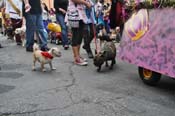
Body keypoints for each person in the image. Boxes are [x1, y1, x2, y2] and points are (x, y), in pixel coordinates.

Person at [65, 0, 92, 65]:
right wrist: (85, 3)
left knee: (79, 36)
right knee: (75, 36)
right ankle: (76, 58)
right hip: (75, 15)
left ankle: (78, 56)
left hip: (80, 15)